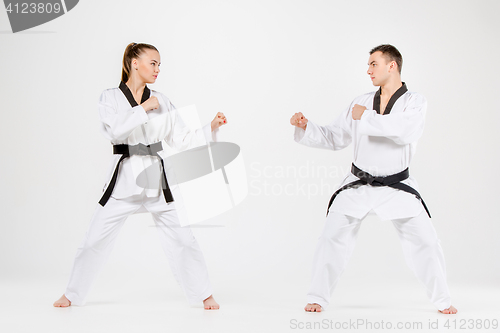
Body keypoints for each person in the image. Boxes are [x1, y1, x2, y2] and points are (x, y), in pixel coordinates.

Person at [53, 42, 226, 309]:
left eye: (159, 65)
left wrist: (210, 127)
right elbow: (115, 132)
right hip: (123, 182)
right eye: (153, 63)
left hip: (157, 180)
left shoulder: (163, 100)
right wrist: (144, 109)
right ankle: (72, 294)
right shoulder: (109, 97)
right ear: (135, 63)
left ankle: (204, 294)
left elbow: (181, 139)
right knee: (93, 240)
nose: (157, 69)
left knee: (184, 238)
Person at [290, 44, 457, 314]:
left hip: (397, 186)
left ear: (392, 66)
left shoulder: (415, 101)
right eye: (368, 65)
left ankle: (442, 300)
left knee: (426, 242)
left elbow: (405, 131)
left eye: (373, 64)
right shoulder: (361, 102)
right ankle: (317, 297)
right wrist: (307, 127)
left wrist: (366, 118)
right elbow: (335, 136)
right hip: (358, 184)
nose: (368, 70)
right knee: (330, 238)